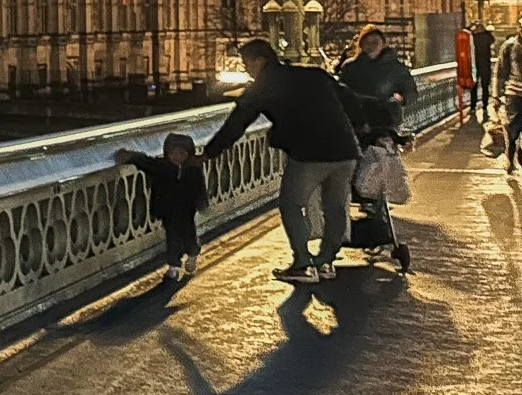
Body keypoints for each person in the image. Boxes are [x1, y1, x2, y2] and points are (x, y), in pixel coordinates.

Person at [201, 39, 362, 284]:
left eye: (247, 63)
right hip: (346, 150)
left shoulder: (262, 87)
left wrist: (208, 154)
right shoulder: (314, 75)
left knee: (291, 204)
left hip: (310, 154)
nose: (246, 70)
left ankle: (303, 263)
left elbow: (236, 124)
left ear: (260, 60)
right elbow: (350, 100)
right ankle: (327, 261)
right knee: (336, 206)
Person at [114, 133, 209, 282]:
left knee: (188, 234)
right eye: (174, 153)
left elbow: (200, 187)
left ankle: (192, 254)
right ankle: (173, 266)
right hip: (168, 210)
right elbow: (145, 162)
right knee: (172, 237)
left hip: (186, 209)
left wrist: (202, 202)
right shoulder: (161, 167)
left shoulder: (193, 170)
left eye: (182, 153)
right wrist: (130, 156)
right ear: (167, 153)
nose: (177, 157)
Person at [338, 24, 418, 131]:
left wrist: (401, 99)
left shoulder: (396, 68)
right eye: (367, 42)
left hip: (387, 124)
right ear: (361, 45)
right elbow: (341, 92)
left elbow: (411, 92)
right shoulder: (350, 67)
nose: (371, 46)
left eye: (375, 42)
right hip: (358, 124)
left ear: (383, 44)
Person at [496, 30, 522, 173]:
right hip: (514, 94)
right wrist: (496, 96)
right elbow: (500, 71)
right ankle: (510, 156)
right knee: (513, 129)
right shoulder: (510, 46)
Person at [471, 21, 496, 122]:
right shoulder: (487, 37)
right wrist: (486, 31)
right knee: (485, 86)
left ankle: (473, 105)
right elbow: (492, 40)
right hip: (485, 64)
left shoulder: (474, 37)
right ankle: (485, 105)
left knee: (474, 86)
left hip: (475, 65)